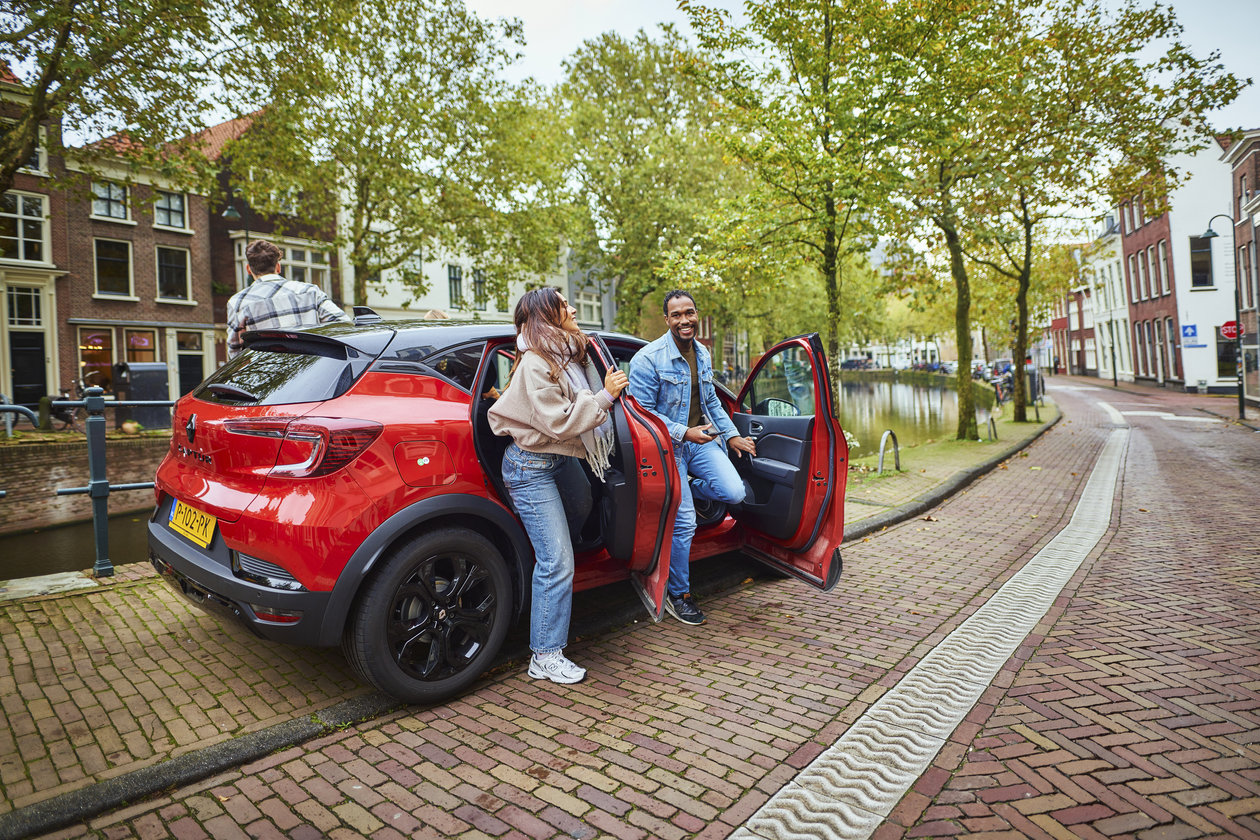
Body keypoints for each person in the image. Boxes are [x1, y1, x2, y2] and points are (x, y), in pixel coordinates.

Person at [488, 287, 629, 684]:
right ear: (547, 317)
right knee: (557, 560)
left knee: (581, 506)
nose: (570, 308)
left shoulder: (567, 355)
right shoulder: (537, 363)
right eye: (562, 305)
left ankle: (551, 575)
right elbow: (559, 421)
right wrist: (605, 396)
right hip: (530, 466)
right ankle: (545, 655)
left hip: (560, 459)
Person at [628, 290, 756, 626]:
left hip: (701, 442)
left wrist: (732, 436)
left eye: (689, 313)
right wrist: (685, 432)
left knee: (735, 492)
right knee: (685, 522)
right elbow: (644, 416)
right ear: (667, 319)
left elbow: (712, 402)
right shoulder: (647, 359)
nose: (684, 320)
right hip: (668, 448)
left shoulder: (703, 353)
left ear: (696, 314)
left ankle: (691, 489)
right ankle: (679, 594)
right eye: (676, 315)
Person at [225, 240, 349, 358]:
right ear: (278, 267)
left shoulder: (238, 302)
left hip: (270, 374)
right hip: (313, 369)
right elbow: (343, 325)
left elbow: (235, 350)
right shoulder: (309, 292)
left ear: (248, 269)